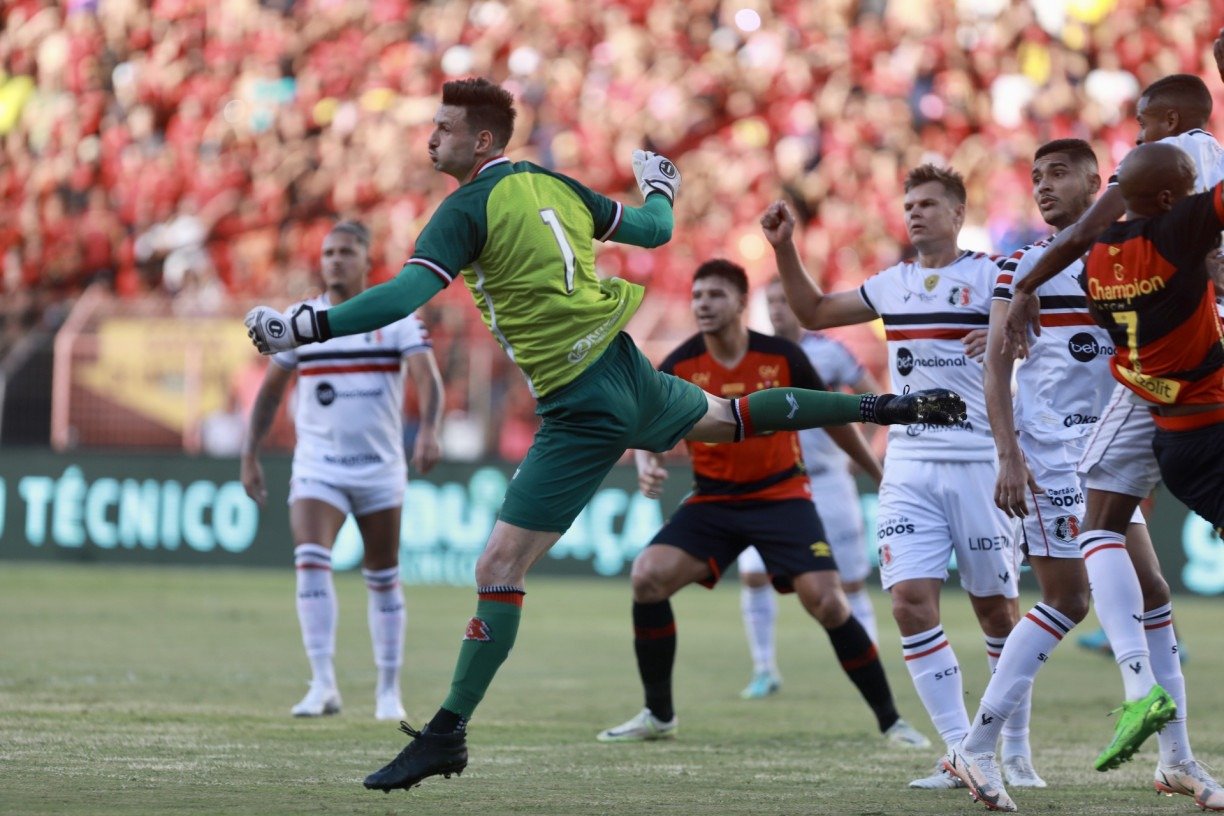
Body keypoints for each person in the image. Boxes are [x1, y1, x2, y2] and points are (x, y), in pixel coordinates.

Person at [242, 77, 966, 792]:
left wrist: (305, 325)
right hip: (626, 369)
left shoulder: (463, 209)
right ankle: (881, 409)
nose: (431, 138)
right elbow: (654, 233)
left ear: (482, 139)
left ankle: (446, 734)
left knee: (498, 567)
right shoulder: (554, 184)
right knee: (728, 416)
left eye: (444, 127)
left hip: (580, 400)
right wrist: (661, 188)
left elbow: (404, 294)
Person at [943, 139, 1220, 813]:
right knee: (1069, 600)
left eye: (1058, 174)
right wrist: (1008, 454)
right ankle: (976, 748)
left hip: (1110, 443)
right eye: (1035, 176)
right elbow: (995, 370)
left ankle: (1176, 758)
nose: (1042, 185)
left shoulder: (1110, 250)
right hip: (1047, 453)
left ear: (1101, 185)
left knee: (1153, 592)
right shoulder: (1021, 266)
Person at [761, 164, 1034, 791]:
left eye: (929, 204)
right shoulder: (893, 284)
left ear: (959, 214)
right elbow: (812, 308)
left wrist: (1009, 326)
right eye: (909, 203)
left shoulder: (993, 274)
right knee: (910, 603)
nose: (915, 212)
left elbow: (1034, 314)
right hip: (909, 461)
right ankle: (961, 750)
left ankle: (1013, 749)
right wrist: (784, 247)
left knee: (997, 611)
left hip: (977, 460)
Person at [595, 259, 927, 749]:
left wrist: (878, 475)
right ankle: (658, 714)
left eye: (715, 295)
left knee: (829, 603)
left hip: (781, 496)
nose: (703, 304)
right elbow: (645, 418)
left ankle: (892, 721)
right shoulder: (683, 361)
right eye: (697, 295)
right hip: (713, 500)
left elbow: (833, 416)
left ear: (739, 303)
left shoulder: (782, 356)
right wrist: (647, 461)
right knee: (647, 577)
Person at [241, 220, 444, 721]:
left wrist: (432, 428)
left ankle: (388, 690)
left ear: (365, 261)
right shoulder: (299, 320)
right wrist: (249, 454)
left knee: (382, 575)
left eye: (346, 252)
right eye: (328, 251)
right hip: (318, 467)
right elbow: (269, 395)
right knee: (310, 559)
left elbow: (428, 379)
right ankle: (323, 684)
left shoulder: (396, 316)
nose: (334, 260)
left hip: (379, 469)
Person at [734, 277, 885, 701]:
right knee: (753, 572)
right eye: (772, 301)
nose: (779, 308)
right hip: (772, 482)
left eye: (785, 299)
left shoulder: (830, 352)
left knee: (850, 583)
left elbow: (875, 402)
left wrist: (865, 454)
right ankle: (764, 668)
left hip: (827, 480)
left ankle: (869, 666)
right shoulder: (752, 354)